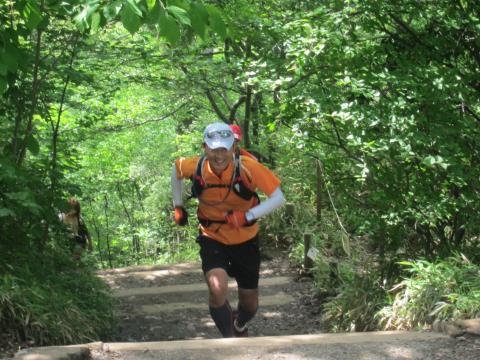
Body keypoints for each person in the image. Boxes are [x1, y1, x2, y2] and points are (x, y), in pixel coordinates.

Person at [171, 122, 285, 337]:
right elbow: (176, 168)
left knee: (249, 305)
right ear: (205, 147)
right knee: (217, 288)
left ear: (234, 147)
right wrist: (178, 205)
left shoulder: (249, 168)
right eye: (214, 148)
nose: (219, 154)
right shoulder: (195, 167)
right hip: (212, 236)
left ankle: (240, 325)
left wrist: (247, 216)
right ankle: (229, 340)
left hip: (246, 239)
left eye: (225, 147)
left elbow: (279, 197)